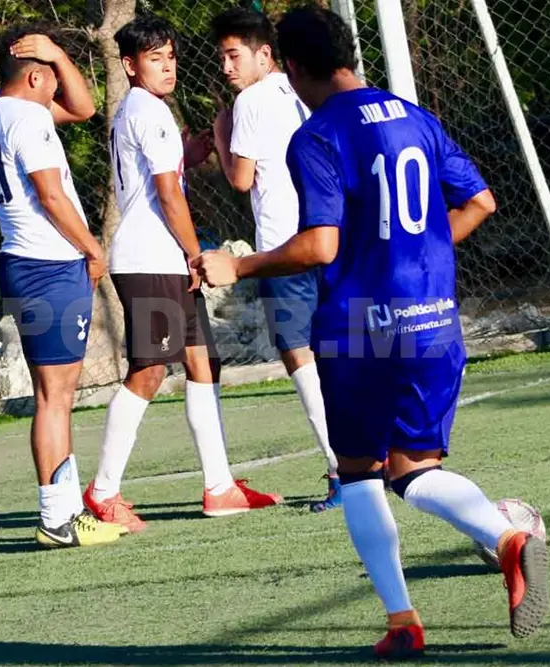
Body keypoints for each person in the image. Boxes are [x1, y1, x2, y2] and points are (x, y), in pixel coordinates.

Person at [193, 7, 549, 658]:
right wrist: (421, 252)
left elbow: (321, 245)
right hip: (434, 321)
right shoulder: (415, 117)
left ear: (291, 67)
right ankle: (506, 537)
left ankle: (403, 620)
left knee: (359, 474)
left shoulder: (318, 134)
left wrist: (237, 265)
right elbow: (480, 202)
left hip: (361, 328)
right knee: (415, 470)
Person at [82, 15, 281, 534]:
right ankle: (102, 492)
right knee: (149, 371)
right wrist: (196, 254)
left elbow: (158, 178)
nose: (168, 67)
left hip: (162, 259)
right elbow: (167, 196)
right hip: (150, 259)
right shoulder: (148, 111)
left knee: (202, 363)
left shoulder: (144, 110)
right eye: (155, 59)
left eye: (171, 57)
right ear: (130, 66)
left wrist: (186, 157)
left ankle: (220, 487)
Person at [0, 25, 125, 548]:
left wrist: (57, 55)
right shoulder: (26, 119)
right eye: (52, 77)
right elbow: (52, 196)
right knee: (54, 397)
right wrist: (91, 247)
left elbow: (83, 109)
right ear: (34, 77)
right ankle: (57, 518)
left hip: (28, 263)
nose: (59, 86)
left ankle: (64, 512)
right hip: (48, 265)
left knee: (56, 395)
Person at [210, 7, 340, 513]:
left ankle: (340, 469)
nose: (226, 67)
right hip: (329, 237)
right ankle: (372, 459)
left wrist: (221, 136)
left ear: (264, 54)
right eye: (222, 57)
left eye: (234, 55)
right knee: (342, 351)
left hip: (283, 247)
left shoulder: (250, 101)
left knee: (299, 355)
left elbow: (241, 179)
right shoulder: (302, 89)